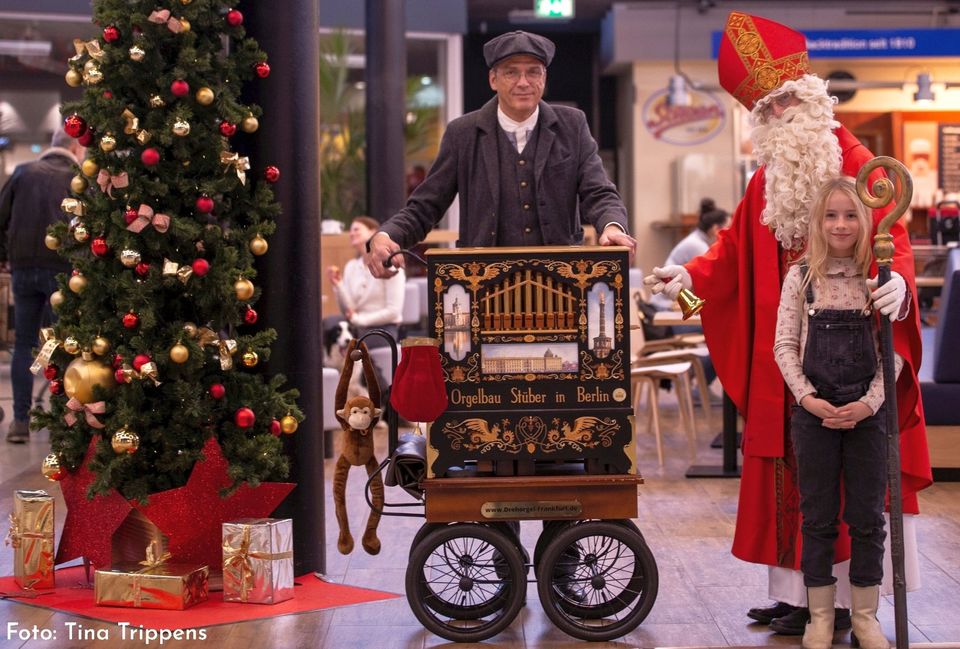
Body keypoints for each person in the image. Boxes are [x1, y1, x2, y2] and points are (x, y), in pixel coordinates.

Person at [646, 11, 931, 637]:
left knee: (855, 489)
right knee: (797, 480)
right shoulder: (766, 182)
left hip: (855, 353)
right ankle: (803, 597)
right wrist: (690, 278)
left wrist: (899, 288)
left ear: (810, 98)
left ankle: (861, 606)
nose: (776, 118)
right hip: (793, 357)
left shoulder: (859, 162)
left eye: (784, 104)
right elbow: (732, 253)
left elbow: (896, 243)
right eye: (765, 110)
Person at [365, 30, 636, 278]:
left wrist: (612, 227)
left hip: (562, 279)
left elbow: (599, 192)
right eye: (511, 73)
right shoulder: (463, 133)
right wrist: (387, 235)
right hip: (484, 281)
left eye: (533, 72)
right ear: (493, 79)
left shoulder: (572, 125)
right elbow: (426, 206)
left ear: (544, 78)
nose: (523, 82)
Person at [775, 176, 897, 649]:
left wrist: (869, 403)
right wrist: (807, 398)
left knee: (868, 517)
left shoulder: (880, 279)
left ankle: (865, 616)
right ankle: (819, 616)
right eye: (831, 215)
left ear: (865, 221)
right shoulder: (801, 276)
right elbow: (784, 344)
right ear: (817, 222)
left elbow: (894, 353)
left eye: (850, 215)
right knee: (818, 517)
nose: (841, 224)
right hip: (814, 414)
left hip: (869, 413)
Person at [0, 127, 84, 443]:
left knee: (24, 344)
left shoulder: (23, 172)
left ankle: (20, 422)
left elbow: (1, 217)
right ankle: (62, 423)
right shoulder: (77, 180)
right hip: (62, 271)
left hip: (22, 269)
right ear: (75, 148)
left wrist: (3, 257)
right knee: (64, 345)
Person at [325, 216, 405, 345]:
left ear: (373, 232)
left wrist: (359, 320)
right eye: (350, 230)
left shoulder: (390, 265)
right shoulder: (351, 266)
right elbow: (349, 309)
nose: (351, 233)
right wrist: (338, 285)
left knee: (351, 343)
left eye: (356, 229)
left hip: (383, 328)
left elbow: (393, 311)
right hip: (356, 326)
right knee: (328, 327)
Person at [650, 198, 729, 311]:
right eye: (728, 228)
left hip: (673, 304)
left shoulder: (696, 240)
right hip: (666, 307)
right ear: (716, 229)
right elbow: (713, 284)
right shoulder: (697, 245)